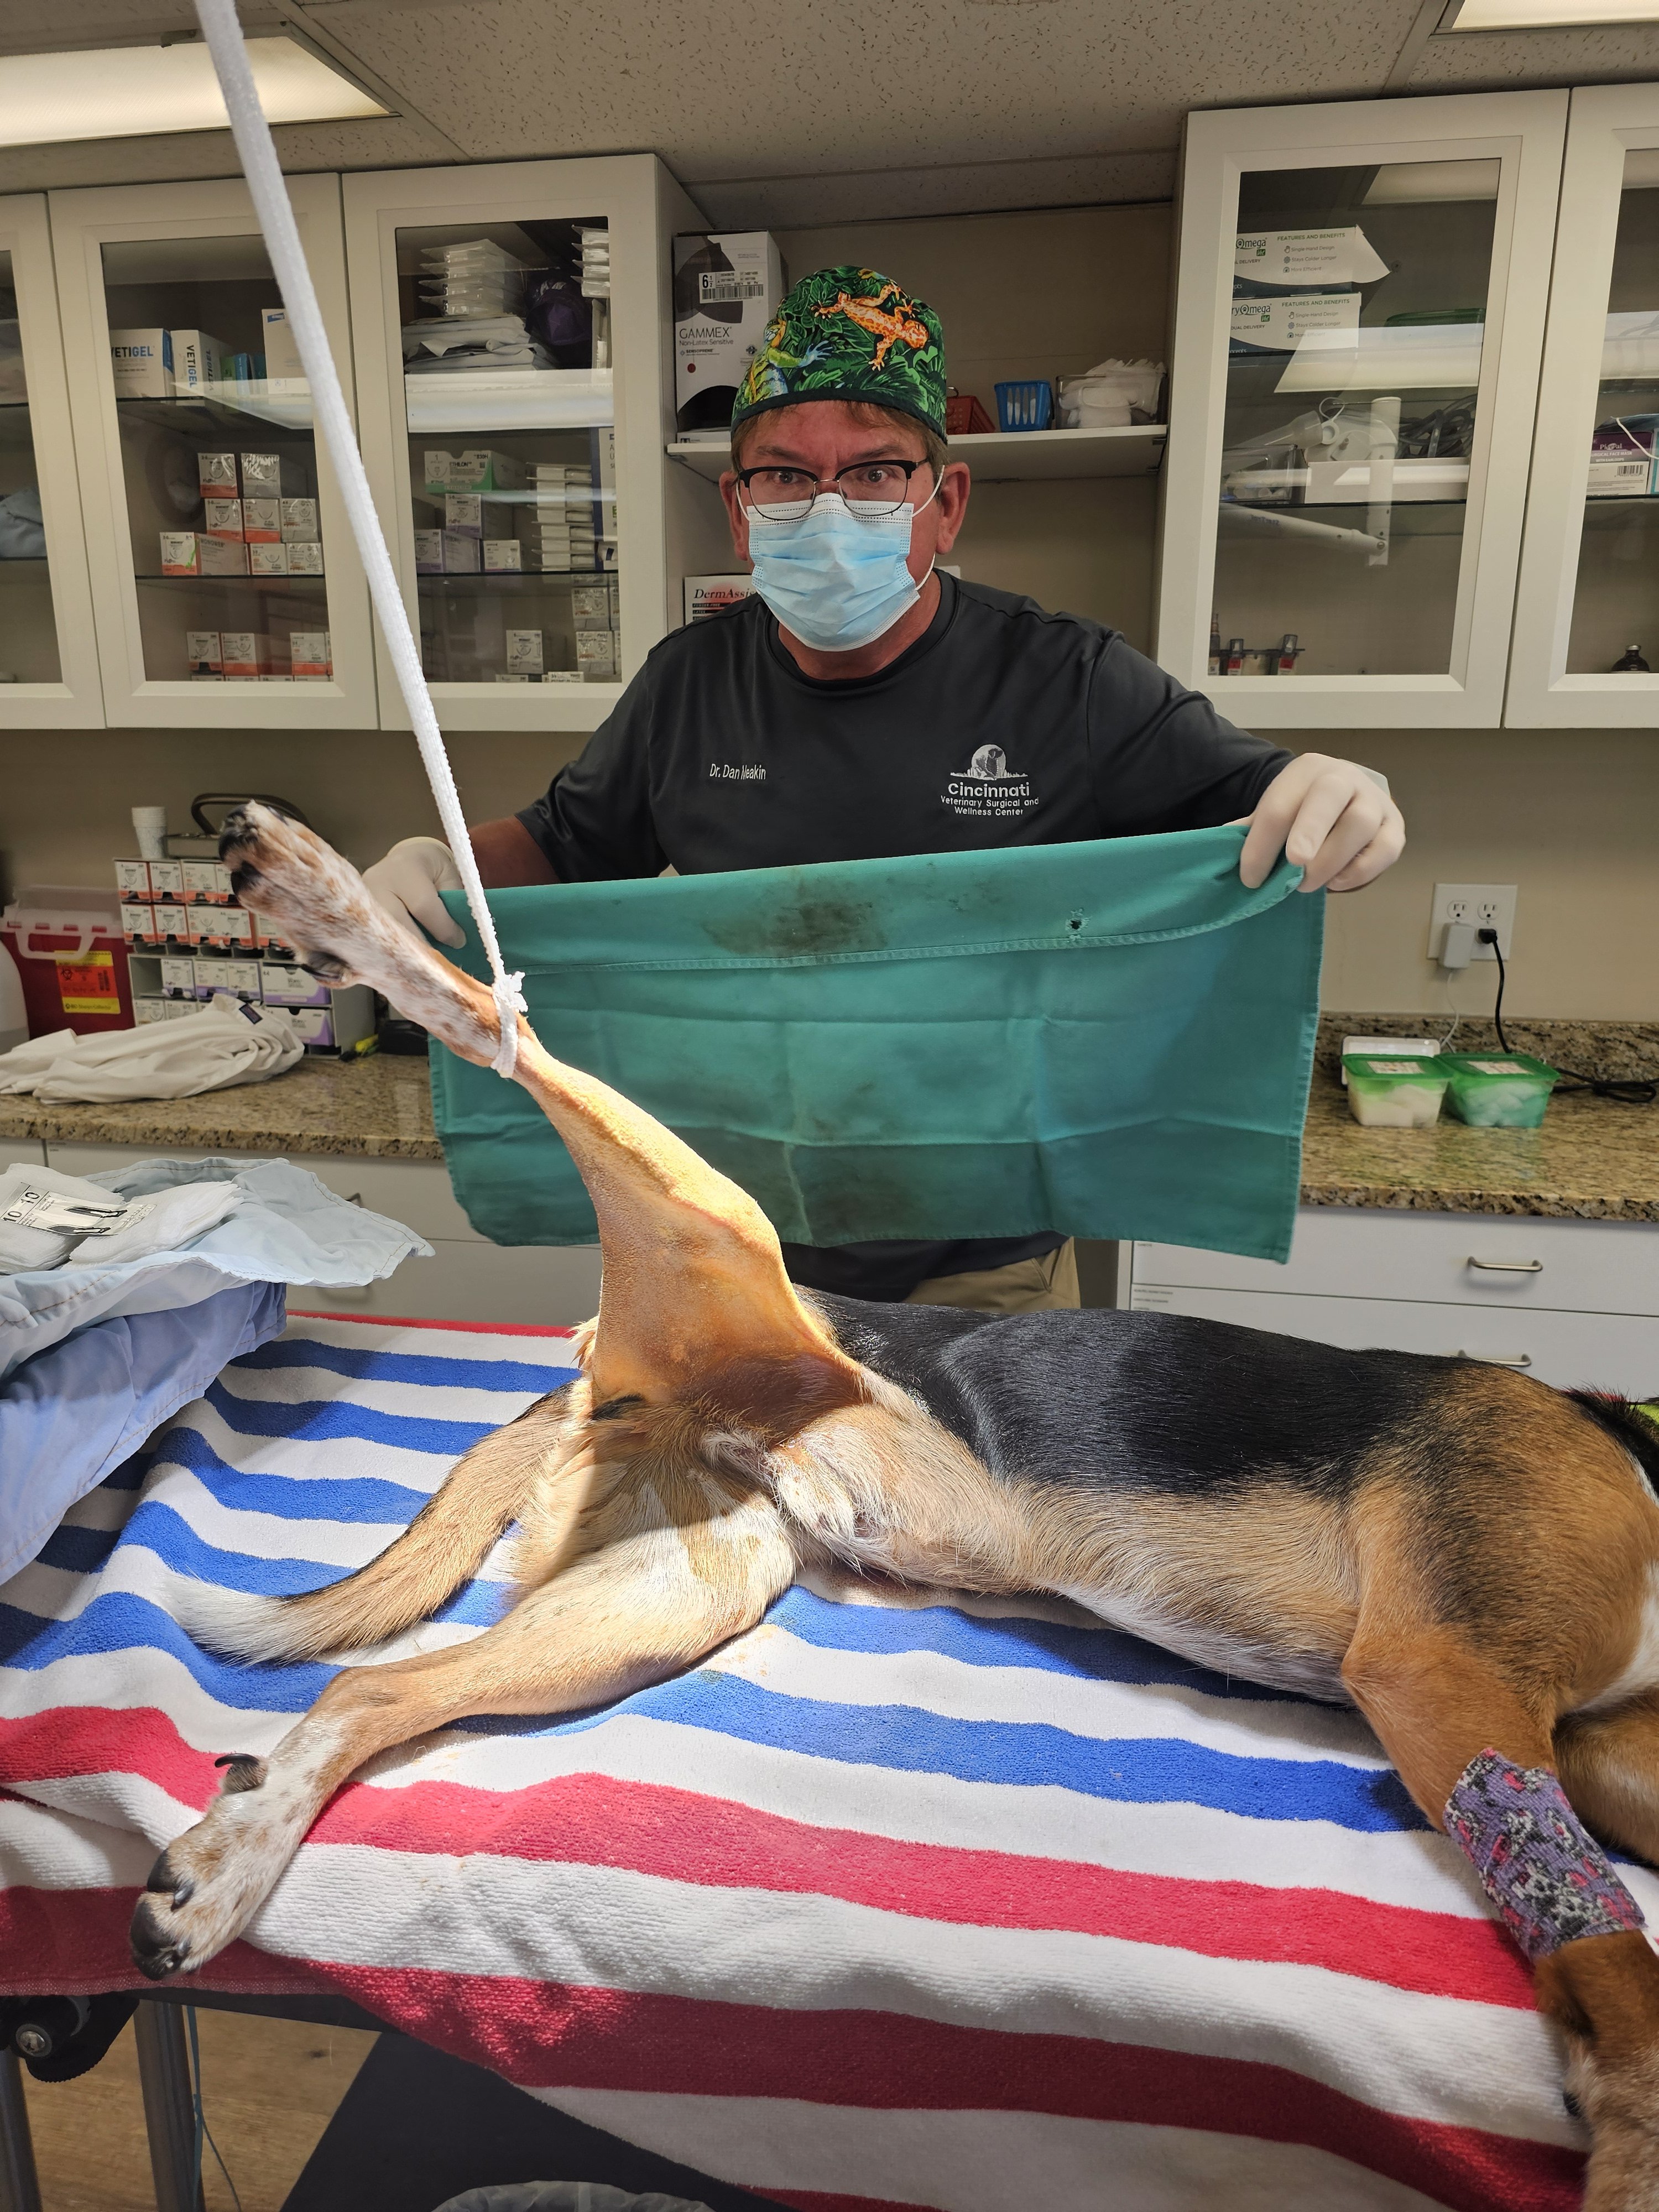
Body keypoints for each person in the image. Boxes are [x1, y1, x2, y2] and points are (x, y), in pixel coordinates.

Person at [367, 263, 1404, 1313]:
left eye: (873, 475)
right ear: (738, 508)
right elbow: (560, 851)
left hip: (983, 1262)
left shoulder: (1068, 681)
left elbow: (1265, 812)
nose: (827, 510)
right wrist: (437, 871)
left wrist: (1334, 791)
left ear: (943, 503)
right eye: (784, 477)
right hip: (738, 1244)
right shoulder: (691, 683)